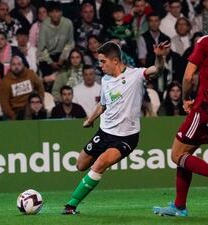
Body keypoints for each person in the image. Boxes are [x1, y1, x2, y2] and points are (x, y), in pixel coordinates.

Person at [153, 2, 208, 217]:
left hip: (203, 106)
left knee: (176, 155)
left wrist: (186, 98)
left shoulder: (206, 41)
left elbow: (187, 75)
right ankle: (179, 207)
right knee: (186, 156)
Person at [61, 40, 169, 214]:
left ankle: (71, 205)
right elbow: (103, 104)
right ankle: (91, 176)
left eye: (103, 62)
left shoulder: (135, 75)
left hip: (126, 137)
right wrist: (91, 119)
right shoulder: (105, 80)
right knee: (80, 165)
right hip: (104, 132)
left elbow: (157, 70)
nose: (100, 66)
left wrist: (159, 57)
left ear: (115, 61)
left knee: (100, 164)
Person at [37, 2, 75, 89]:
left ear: (61, 12)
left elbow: (70, 43)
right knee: (47, 77)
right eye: (52, 12)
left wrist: (62, 58)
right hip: (48, 56)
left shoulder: (68, 23)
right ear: (49, 13)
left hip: (63, 54)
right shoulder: (44, 26)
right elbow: (42, 48)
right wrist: (51, 63)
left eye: (57, 11)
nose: (55, 14)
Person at [0, 55, 44, 120]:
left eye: (19, 64)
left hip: (32, 108)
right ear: (10, 66)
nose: (16, 67)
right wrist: (13, 116)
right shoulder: (5, 81)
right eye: (13, 64)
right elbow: (4, 104)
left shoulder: (30, 74)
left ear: (23, 65)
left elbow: (40, 87)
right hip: (16, 111)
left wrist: (40, 102)